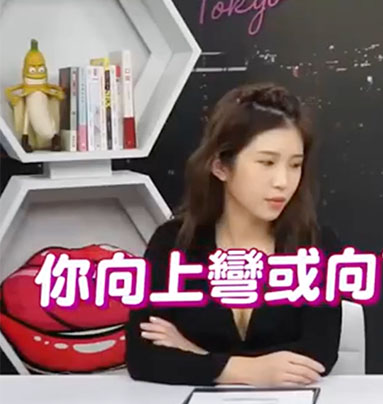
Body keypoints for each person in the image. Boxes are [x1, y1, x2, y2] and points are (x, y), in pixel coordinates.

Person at [125, 83, 342, 386]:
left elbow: (318, 355)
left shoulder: (315, 245)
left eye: (295, 165)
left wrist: (196, 353)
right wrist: (249, 371)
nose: (283, 181)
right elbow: (143, 357)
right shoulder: (174, 243)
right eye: (267, 163)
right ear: (221, 167)